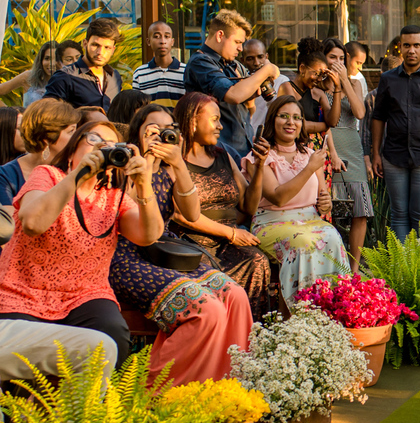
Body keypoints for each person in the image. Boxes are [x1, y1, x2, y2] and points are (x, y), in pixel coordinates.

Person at [108, 105, 251, 386]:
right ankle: (156, 391)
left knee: (235, 296)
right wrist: (144, 165)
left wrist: (179, 164)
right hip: (126, 256)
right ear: (137, 132)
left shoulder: (171, 169)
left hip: (163, 253)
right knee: (206, 309)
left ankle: (228, 384)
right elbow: (128, 216)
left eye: (167, 130)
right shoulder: (124, 163)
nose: (160, 136)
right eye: (152, 130)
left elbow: (192, 213)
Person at [0, 120, 164, 364]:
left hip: (85, 294)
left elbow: (148, 235)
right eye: (94, 140)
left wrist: (143, 184)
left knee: (113, 335)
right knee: (22, 355)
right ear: (74, 148)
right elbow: (32, 223)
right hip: (23, 289)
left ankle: (88, 402)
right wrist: (77, 176)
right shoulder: (47, 175)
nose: (102, 148)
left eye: (110, 145)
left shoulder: (113, 196)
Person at [171, 91, 274, 319]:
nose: (220, 126)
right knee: (214, 275)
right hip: (192, 243)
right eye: (214, 119)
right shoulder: (174, 160)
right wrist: (231, 233)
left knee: (257, 261)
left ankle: (252, 337)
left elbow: (248, 206)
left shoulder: (223, 156)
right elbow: (179, 215)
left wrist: (259, 167)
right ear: (192, 121)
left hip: (229, 241)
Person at [246, 95, 348, 302]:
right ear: (272, 120)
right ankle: (300, 312)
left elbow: (323, 198)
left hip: (311, 220)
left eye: (297, 117)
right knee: (302, 242)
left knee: (333, 237)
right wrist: (310, 167)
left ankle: (335, 306)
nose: (291, 122)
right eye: (284, 116)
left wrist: (325, 203)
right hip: (272, 221)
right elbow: (278, 198)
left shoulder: (310, 154)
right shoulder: (260, 157)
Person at [370, 25, 420, 241]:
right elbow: (378, 117)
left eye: (416, 45)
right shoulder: (388, 79)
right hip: (393, 156)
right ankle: (401, 269)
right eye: (406, 45)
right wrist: (376, 153)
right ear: (400, 48)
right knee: (399, 215)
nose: (411, 50)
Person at [183, 9, 282, 159]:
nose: (240, 49)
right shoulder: (200, 62)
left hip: (244, 149)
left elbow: (249, 111)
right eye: (237, 42)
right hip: (217, 154)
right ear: (220, 35)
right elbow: (233, 95)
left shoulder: (235, 65)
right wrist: (267, 69)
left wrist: (251, 97)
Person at [321, 37, 373, 273]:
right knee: (329, 210)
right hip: (329, 148)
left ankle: (353, 269)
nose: (338, 62)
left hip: (352, 147)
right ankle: (331, 266)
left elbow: (360, 112)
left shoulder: (355, 83)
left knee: (360, 211)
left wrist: (343, 80)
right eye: (333, 57)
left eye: (342, 58)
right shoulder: (317, 87)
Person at [0, 99, 79, 206]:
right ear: (46, 138)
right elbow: (10, 220)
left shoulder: (74, 167)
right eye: (71, 131)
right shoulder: (6, 177)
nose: (77, 137)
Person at [44, 18, 123, 110]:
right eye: (95, 45)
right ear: (85, 44)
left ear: (113, 50)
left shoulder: (114, 76)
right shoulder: (65, 76)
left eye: (107, 47)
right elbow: (48, 114)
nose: (100, 52)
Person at [131, 21, 186, 108]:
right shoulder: (140, 73)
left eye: (167, 37)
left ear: (172, 41)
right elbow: (137, 108)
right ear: (148, 41)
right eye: (157, 36)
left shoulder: (185, 72)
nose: (162, 41)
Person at [245, 38, 290, 135]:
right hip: (246, 138)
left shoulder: (282, 81)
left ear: (266, 57)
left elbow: (289, 114)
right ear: (243, 60)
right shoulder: (242, 83)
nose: (256, 63)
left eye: (260, 57)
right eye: (250, 58)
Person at [0, 41, 57, 106]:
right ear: (41, 60)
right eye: (47, 58)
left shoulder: (66, 82)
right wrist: (10, 112)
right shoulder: (28, 77)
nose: (51, 64)